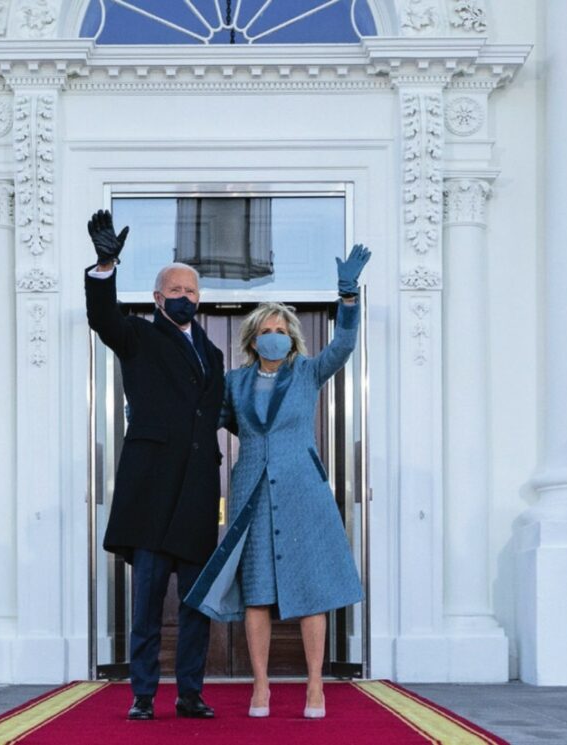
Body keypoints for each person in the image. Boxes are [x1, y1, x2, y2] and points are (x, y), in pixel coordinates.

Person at [186, 244, 371, 719]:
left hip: (302, 493)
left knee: (311, 592)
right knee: (257, 593)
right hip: (250, 494)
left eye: (281, 331)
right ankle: (261, 688)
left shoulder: (308, 372)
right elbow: (211, 419)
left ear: (292, 339)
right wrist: (157, 413)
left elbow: (343, 345)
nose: (274, 337)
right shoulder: (234, 382)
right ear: (253, 340)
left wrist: (348, 298)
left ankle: (315, 687)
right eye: (266, 331)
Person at [84, 209, 225, 720]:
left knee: (195, 605)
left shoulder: (212, 353)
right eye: (175, 289)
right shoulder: (139, 336)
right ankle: (143, 695)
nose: (184, 296)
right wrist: (105, 267)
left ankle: (190, 692)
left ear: (199, 299)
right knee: (145, 606)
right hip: (151, 495)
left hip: (196, 497)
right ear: (158, 298)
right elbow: (103, 318)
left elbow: (215, 413)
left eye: (191, 290)